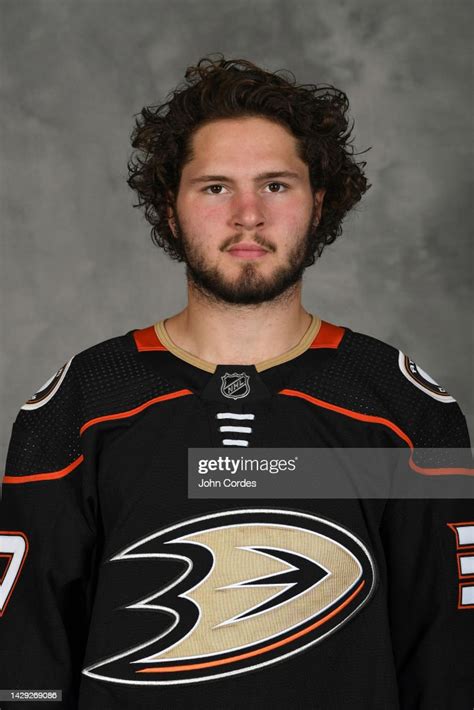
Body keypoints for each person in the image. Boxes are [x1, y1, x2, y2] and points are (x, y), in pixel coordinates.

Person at [1, 54, 472, 710]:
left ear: (320, 202)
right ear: (171, 208)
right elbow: (26, 665)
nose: (247, 214)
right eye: (215, 187)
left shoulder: (403, 410)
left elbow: (449, 667)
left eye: (276, 185)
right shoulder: (82, 404)